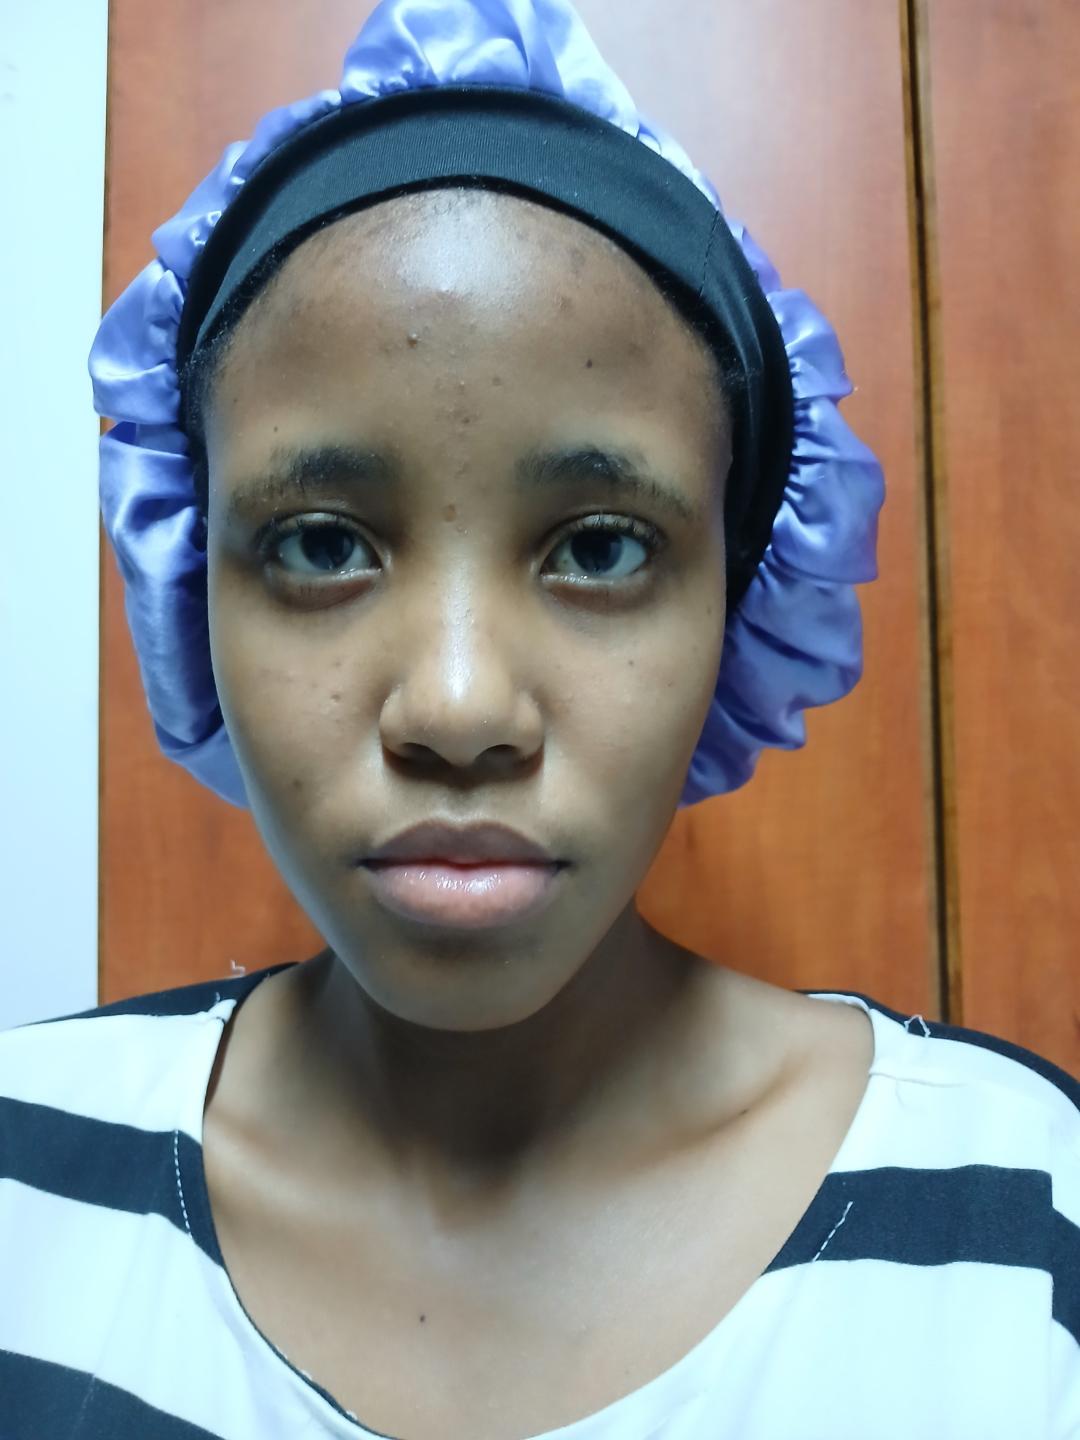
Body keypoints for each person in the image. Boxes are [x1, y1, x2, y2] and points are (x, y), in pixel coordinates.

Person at [3, 2, 1078, 1436]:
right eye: (321, 543)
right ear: (192, 584)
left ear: (740, 603)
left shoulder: (1026, 1227)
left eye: (602, 547)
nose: (459, 709)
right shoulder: (23, 1182)